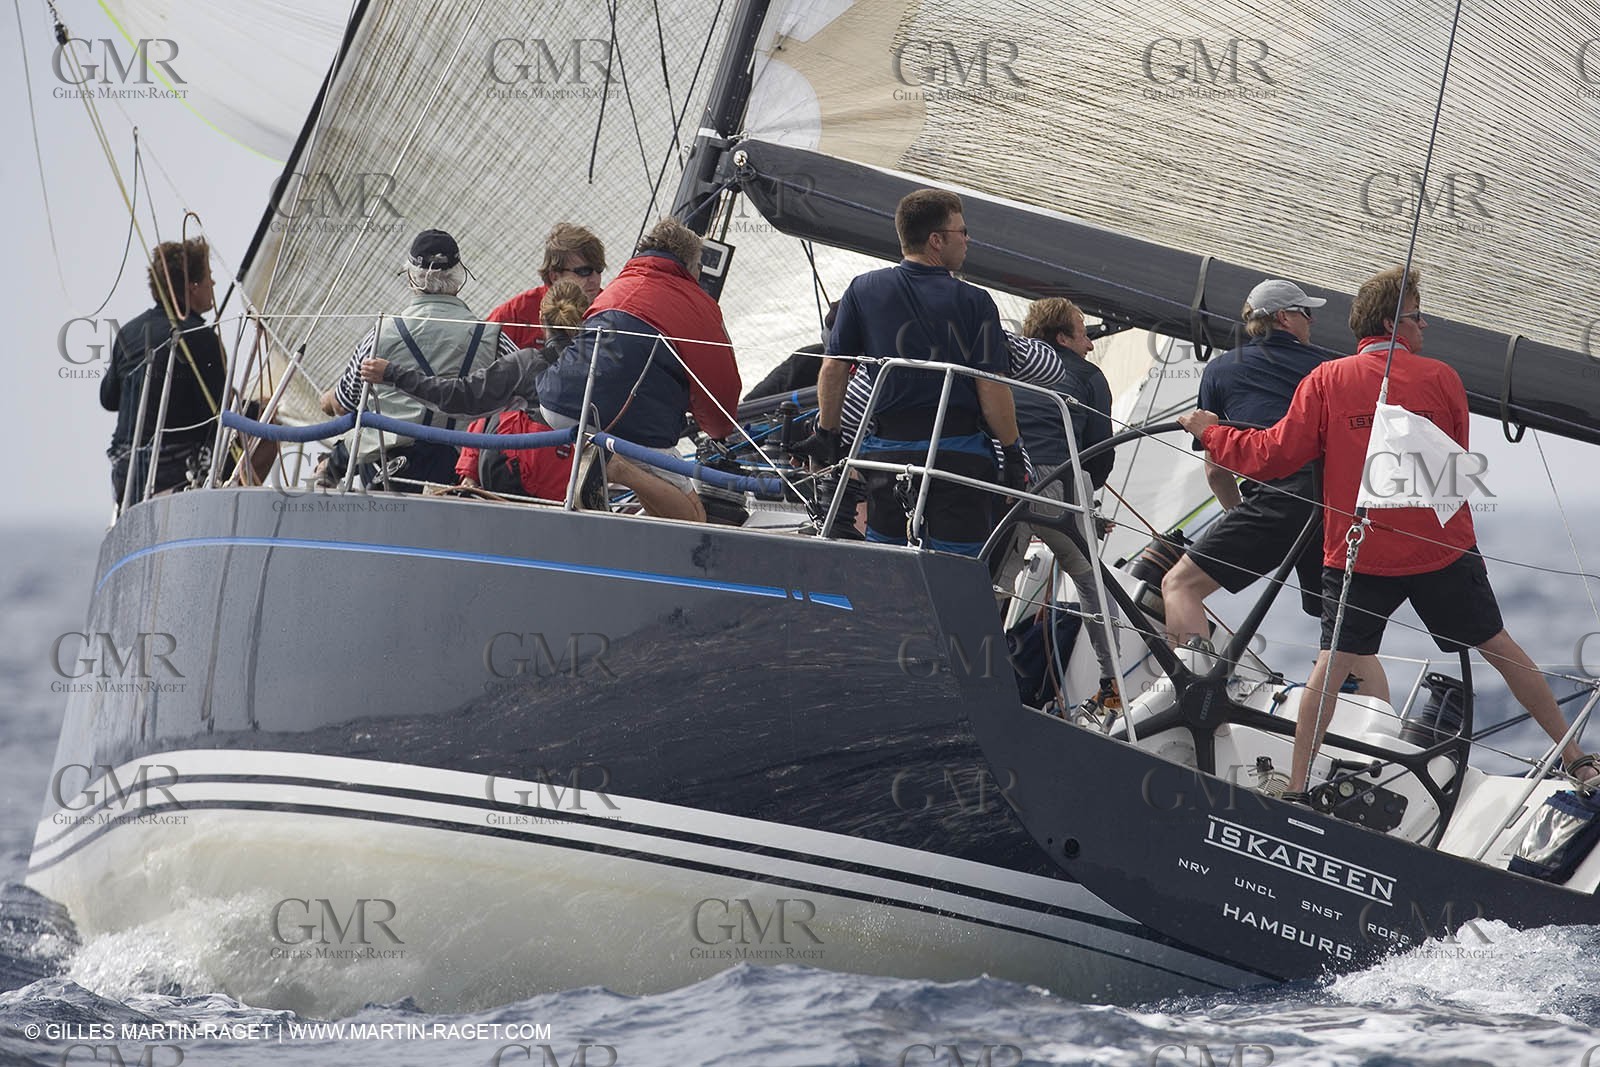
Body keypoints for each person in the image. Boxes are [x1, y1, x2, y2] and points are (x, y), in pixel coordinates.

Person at [1179, 267, 1596, 794]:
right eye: (1419, 317)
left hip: (1360, 555)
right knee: (1500, 646)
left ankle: (1299, 787)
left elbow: (1271, 456)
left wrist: (1210, 431)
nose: (1426, 327)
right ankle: (1578, 759)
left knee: (1326, 674)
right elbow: (1457, 458)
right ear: (1393, 321)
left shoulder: (1325, 380)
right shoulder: (1443, 378)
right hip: (1441, 549)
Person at [1163, 279, 1387, 696]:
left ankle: (1196, 698)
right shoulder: (1330, 367)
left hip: (1277, 500)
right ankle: (1382, 733)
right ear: (1284, 318)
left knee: (1179, 585)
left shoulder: (1219, 370)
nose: (1313, 320)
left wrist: (1245, 521)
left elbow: (1216, 470)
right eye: (1305, 312)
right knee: (1343, 633)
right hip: (1335, 509)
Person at [799, 188, 1024, 556]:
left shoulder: (862, 290)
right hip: (958, 456)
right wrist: (1013, 452)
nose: (968, 240)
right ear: (936, 240)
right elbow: (991, 389)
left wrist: (828, 432)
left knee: (889, 562)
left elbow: (833, 368)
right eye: (961, 232)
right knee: (957, 568)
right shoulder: (975, 301)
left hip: (887, 458)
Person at [533, 217, 742, 522]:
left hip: (554, 402)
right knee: (693, 518)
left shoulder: (617, 287)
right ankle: (615, 467)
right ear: (691, 266)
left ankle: (615, 475)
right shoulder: (699, 304)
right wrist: (716, 428)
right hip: (614, 415)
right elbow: (722, 391)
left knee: (649, 473)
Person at [991, 298, 1123, 711]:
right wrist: (1088, 494)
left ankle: (976, 674)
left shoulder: (1010, 362)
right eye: (1084, 333)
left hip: (1006, 475)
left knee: (996, 582)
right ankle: (1112, 683)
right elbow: (1100, 448)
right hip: (1061, 480)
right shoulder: (1086, 374)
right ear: (1062, 337)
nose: (1090, 344)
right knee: (1089, 580)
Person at [323, 229, 519, 492]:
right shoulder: (492, 338)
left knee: (348, 445)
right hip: (459, 477)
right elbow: (528, 388)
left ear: (410, 277)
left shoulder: (380, 335)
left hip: (387, 472)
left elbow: (344, 405)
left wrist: (326, 400)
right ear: (459, 277)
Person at [101, 237, 228, 504]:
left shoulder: (129, 332)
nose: (213, 284)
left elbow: (108, 399)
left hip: (125, 477)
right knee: (268, 429)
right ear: (192, 287)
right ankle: (232, 519)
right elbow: (218, 415)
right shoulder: (200, 336)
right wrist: (257, 409)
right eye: (209, 277)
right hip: (174, 475)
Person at [486, 223, 606, 350]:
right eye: (583, 271)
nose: (594, 279)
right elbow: (481, 353)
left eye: (599, 269)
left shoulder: (609, 310)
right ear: (555, 276)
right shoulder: (515, 313)